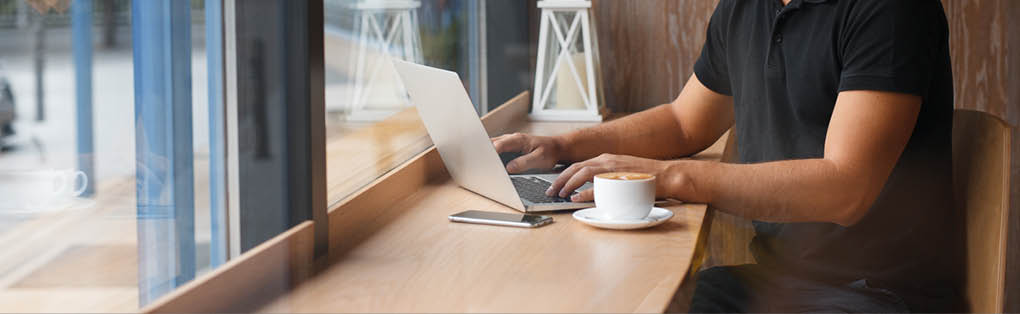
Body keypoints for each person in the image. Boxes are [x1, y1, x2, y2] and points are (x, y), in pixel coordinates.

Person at [492, 0, 963, 312]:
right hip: (777, 281)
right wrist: (564, 146)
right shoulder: (745, 6)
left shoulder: (892, 9)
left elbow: (846, 189)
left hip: (878, 294)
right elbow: (684, 121)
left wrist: (673, 177)